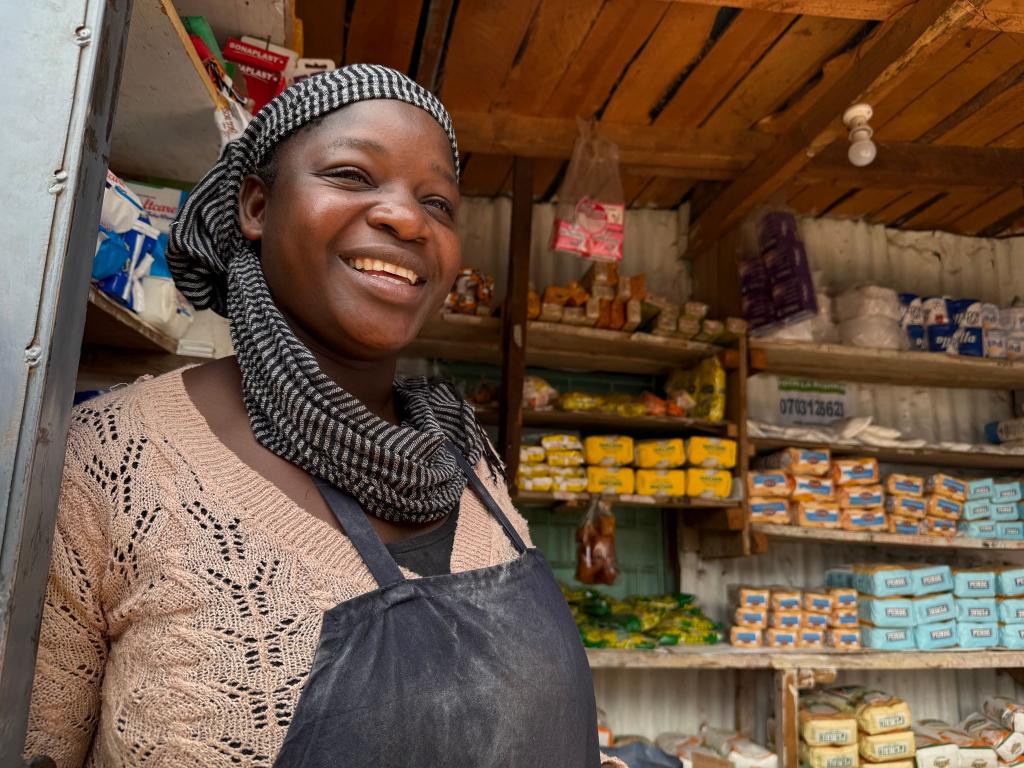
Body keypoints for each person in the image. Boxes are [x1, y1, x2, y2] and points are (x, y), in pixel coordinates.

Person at [24, 65, 625, 767]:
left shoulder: (466, 462)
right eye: (351, 174)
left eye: (437, 202)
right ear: (255, 205)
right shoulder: (109, 463)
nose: (406, 217)